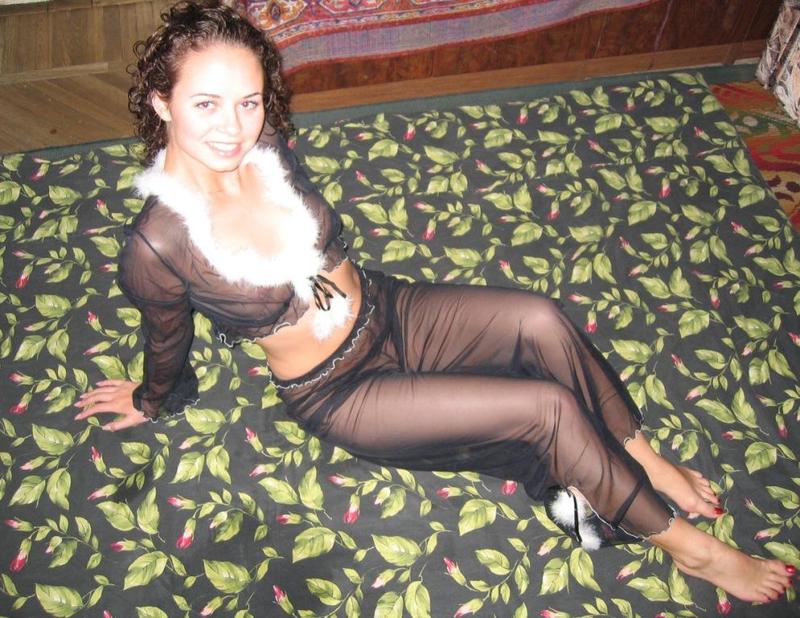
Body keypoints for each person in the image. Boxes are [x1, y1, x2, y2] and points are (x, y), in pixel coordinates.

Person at [74, 0, 794, 603]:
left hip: (390, 310)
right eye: (206, 104)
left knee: (539, 317)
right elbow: (167, 338)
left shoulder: (268, 150)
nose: (234, 128)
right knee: (546, 410)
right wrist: (152, 398)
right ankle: (693, 550)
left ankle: (646, 460)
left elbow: (304, 230)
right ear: (162, 102)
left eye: (249, 102)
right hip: (341, 390)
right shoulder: (158, 245)